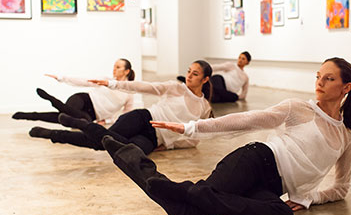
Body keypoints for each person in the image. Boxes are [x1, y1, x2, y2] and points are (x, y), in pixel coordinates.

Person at [99, 57, 351, 215]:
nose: (319, 83)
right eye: (318, 76)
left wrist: (310, 198)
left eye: (329, 79)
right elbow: (247, 120)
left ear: (346, 87)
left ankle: (189, 191)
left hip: (272, 188)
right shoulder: (299, 108)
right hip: (254, 161)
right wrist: (192, 127)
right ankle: (130, 156)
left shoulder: (347, 137)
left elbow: (341, 187)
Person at [28, 60, 213, 155]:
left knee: (116, 147)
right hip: (143, 118)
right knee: (101, 142)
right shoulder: (175, 87)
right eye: (188, 71)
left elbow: (195, 139)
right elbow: (142, 86)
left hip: (154, 139)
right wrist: (113, 84)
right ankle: (56, 134)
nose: (189, 76)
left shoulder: (205, 107)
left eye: (195, 74)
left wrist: (168, 145)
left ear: (204, 79)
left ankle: (79, 125)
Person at [12, 58, 135, 125]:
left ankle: (28, 115)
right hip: (83, 100)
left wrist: (107, 120)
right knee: (67, 115)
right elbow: (83, 81)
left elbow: (125, 116)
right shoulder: (106, 80)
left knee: (62, 118)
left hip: (91, 115)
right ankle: (51, 99)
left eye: (118, 67)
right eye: (114, 66)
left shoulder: (129, 93)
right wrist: (61, 78)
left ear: (126, 71)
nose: (114, 70)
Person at [177, 51, 251, 103]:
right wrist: (203, 70)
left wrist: (237, 97)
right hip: (219, 81)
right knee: (213, 88)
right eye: (239, 57)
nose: (240, 60)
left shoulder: (246, 77)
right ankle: (193, 82)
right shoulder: (231, 65)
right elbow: (216, 67)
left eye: (243, 59)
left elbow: (244, 93)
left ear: (247, 62)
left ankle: (194, 84)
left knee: (224, 97)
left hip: (226, 91)